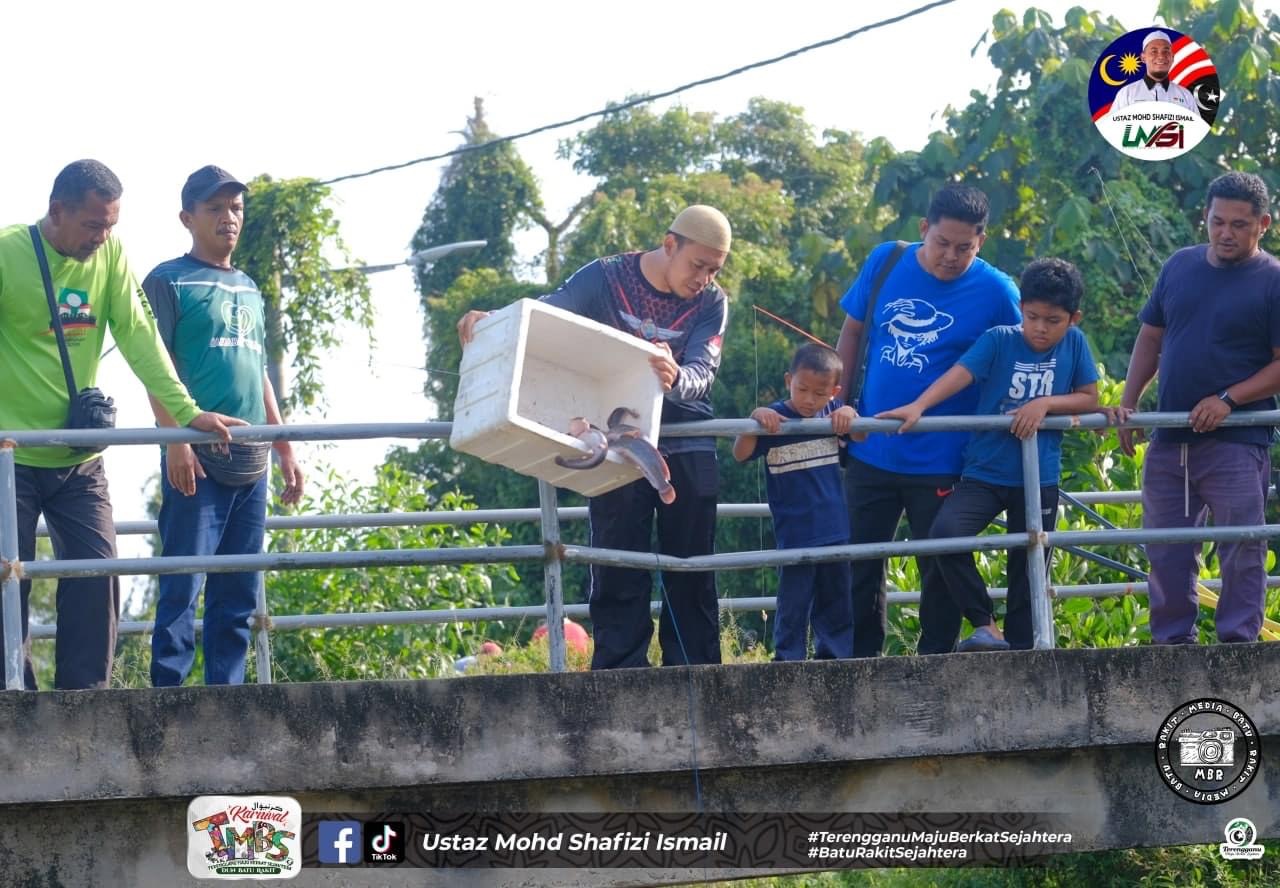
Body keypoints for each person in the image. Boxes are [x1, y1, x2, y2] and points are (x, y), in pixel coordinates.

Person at [0, 159, 241, 690]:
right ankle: (14, 700)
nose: (102, 237)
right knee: (5, 584)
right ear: (56, 211)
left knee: (96, 573)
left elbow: (138, 336)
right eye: (93, 225)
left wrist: (187, 412)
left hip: (79, 455)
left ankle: (84, 707)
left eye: (111, 225)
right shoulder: (8, 251)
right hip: (9, 455)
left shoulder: (109, 256)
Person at [458, 205, 730, 669]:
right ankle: (621, 671)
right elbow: (546, 313)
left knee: (692, 563)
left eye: (714, 269)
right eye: (697, 265)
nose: (703, 277)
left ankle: (695, 670)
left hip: (686, 434)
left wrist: (677, 375)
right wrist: (492, 322)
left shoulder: (712, 301)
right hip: (616, 436)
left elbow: (705, 370)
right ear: (669, 245)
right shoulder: (605, 277)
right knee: (617, 557)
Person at [835, 184, 1021, 657]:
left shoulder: (998, 291)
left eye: (965, 247)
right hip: (869, 445)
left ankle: (935, 662)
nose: (950, 257)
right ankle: (855, 663)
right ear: (924, 230)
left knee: (939, 568)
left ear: (982, 241)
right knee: (857, 561)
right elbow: (853, 331)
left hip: (944, 456)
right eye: (942, 243)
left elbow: (1023, 353)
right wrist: (834, 404)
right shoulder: (887, 260)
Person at [878, 258, 1099, 651]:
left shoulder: (1075, 344)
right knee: (945, 535)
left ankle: (1022, 653)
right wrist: (919, 406)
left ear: (1073, 318)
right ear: (1021, 311)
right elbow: (960, 374)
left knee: (1028, 569)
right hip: (984, 472)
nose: (1041, 329)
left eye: (1052, 320)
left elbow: (1089, 397)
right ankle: (985, 624)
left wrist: (1044, 403)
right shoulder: (1000, 339)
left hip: (1039, 477)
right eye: (1032, 317)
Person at [143, 165, 305, 687]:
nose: (228, 218)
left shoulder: (250, 286)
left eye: (235, 208)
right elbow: (155, 367)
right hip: (197, 456)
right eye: (215, 209)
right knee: (182, 586)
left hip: (252, 458)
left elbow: (257, 370)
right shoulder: (167, 280)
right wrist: (174, 442)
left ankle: (228, 699)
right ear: (187, 218)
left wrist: (284, 447)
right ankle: (166, 701)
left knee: (237, 591)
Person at [1112, 171, 1280, 645]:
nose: (1226, 233)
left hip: (1236, 442)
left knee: (1241, 547)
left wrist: (1229, 399)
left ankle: (1239, 645)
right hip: (1170, 439)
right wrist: (1130, 402)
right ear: (1203, 217)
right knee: (1166, 551)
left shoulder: (1273, 280)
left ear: (1262, 224)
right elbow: (1151, 335)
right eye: (1217, 222)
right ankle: (1170, 646)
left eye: (1239, 225)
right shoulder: (1180, 266)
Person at [732, 343, 859, 660]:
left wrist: (850, 413)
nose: (809, 399)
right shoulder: (776, 419)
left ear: (834, 391)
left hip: (834, 527)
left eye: (820, 392)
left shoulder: (833, 415)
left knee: (837, 596)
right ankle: (788, 656)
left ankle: (835, 655)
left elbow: (861, 436)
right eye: (802, 389)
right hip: (795, 529)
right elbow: (740, 453)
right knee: (794, 598)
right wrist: (754, 420)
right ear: (789, 379)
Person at [1110, 30, 1196, 112]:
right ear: (1143, 58)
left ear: (1172, 58)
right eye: (1154, 51)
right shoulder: (1126, 94)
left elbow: (1197, 127)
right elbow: (1112, 126)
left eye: (1165, 51)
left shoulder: (1186, 96)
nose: (1161, 56)